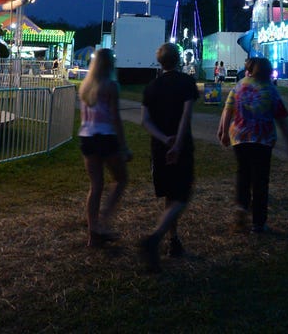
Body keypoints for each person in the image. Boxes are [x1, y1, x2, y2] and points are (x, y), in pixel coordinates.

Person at [217, 55, 288, 233]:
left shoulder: (240, 86)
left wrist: (223, 131)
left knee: (243, 173)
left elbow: (227, 109)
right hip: (262, 139)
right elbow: (281, 118)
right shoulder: (270, 90)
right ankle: (258, 223)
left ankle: (241, 206)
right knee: (260, 180)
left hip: (239, 138)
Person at [138, 43, 199, 272]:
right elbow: (186, 116)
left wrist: (164, 141)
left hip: (159, 148)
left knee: (170, 196)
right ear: (178, 59)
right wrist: (177, 143)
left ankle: (174, 241)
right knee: (182, 194)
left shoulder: (151, 87)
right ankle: (155, 238)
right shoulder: (186, 82)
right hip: (181, 147)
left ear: (159, 62)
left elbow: (145, 121)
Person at [78, 48, 130, 248]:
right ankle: (104, 222)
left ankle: (93, 233)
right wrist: (124, 147)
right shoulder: (111, 86)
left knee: (96, 186)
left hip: (87, 137)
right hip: (106, 137)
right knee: (121, 179)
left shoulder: (85, 86)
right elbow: (115, 118)